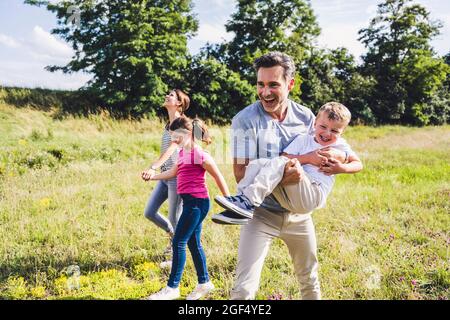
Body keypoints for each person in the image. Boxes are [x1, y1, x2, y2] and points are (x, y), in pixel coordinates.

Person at [222, 51, 348, 300]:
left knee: (310, 280)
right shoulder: (243, 121)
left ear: (290, 84)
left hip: (300, 215)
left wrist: (338, 161)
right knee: (243, 289)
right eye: (260, 84)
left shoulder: (308, 117)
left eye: (273, 85)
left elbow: (325, 153)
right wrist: (282, 176)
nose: (265, 92)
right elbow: (240, 174)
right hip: (261, 214)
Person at [213, 101, 363, 223]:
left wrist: (341, 168)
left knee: (278, 162)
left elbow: (358, 164)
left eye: (335, 131)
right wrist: (309, 158)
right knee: (260, 163)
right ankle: (241, 205)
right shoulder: (303, 140)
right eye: (323, 126)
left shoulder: (340, 145)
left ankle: (247, 202)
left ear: (342, 132)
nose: (327, 133)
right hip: (290, 194)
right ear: (314, 123)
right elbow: (284, 156)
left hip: (313, 193)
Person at [147, 116, 231, 300]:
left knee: (178, 241)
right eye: (170, 136)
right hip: (190, 202)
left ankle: (172, 288)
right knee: (193, 243)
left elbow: (218, 177)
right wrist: (152, 176)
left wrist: (230, 202)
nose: (172, 140)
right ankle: (204, 283)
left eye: (175, 136)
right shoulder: (182, 153)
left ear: (187, 133)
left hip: (197, 203)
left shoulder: (200, 154)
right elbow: (173, 172)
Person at [141, 89, 189, 268]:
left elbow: (171, 148)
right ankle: (172, 237)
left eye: (171, 95)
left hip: (177, 176)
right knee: (150, 212)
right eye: (167, 94)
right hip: (164, 176)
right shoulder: (167, 124)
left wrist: (153, 167)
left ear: (179, 103)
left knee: (175, 218)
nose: (166, 96)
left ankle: (177, 258)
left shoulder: (182, 124)